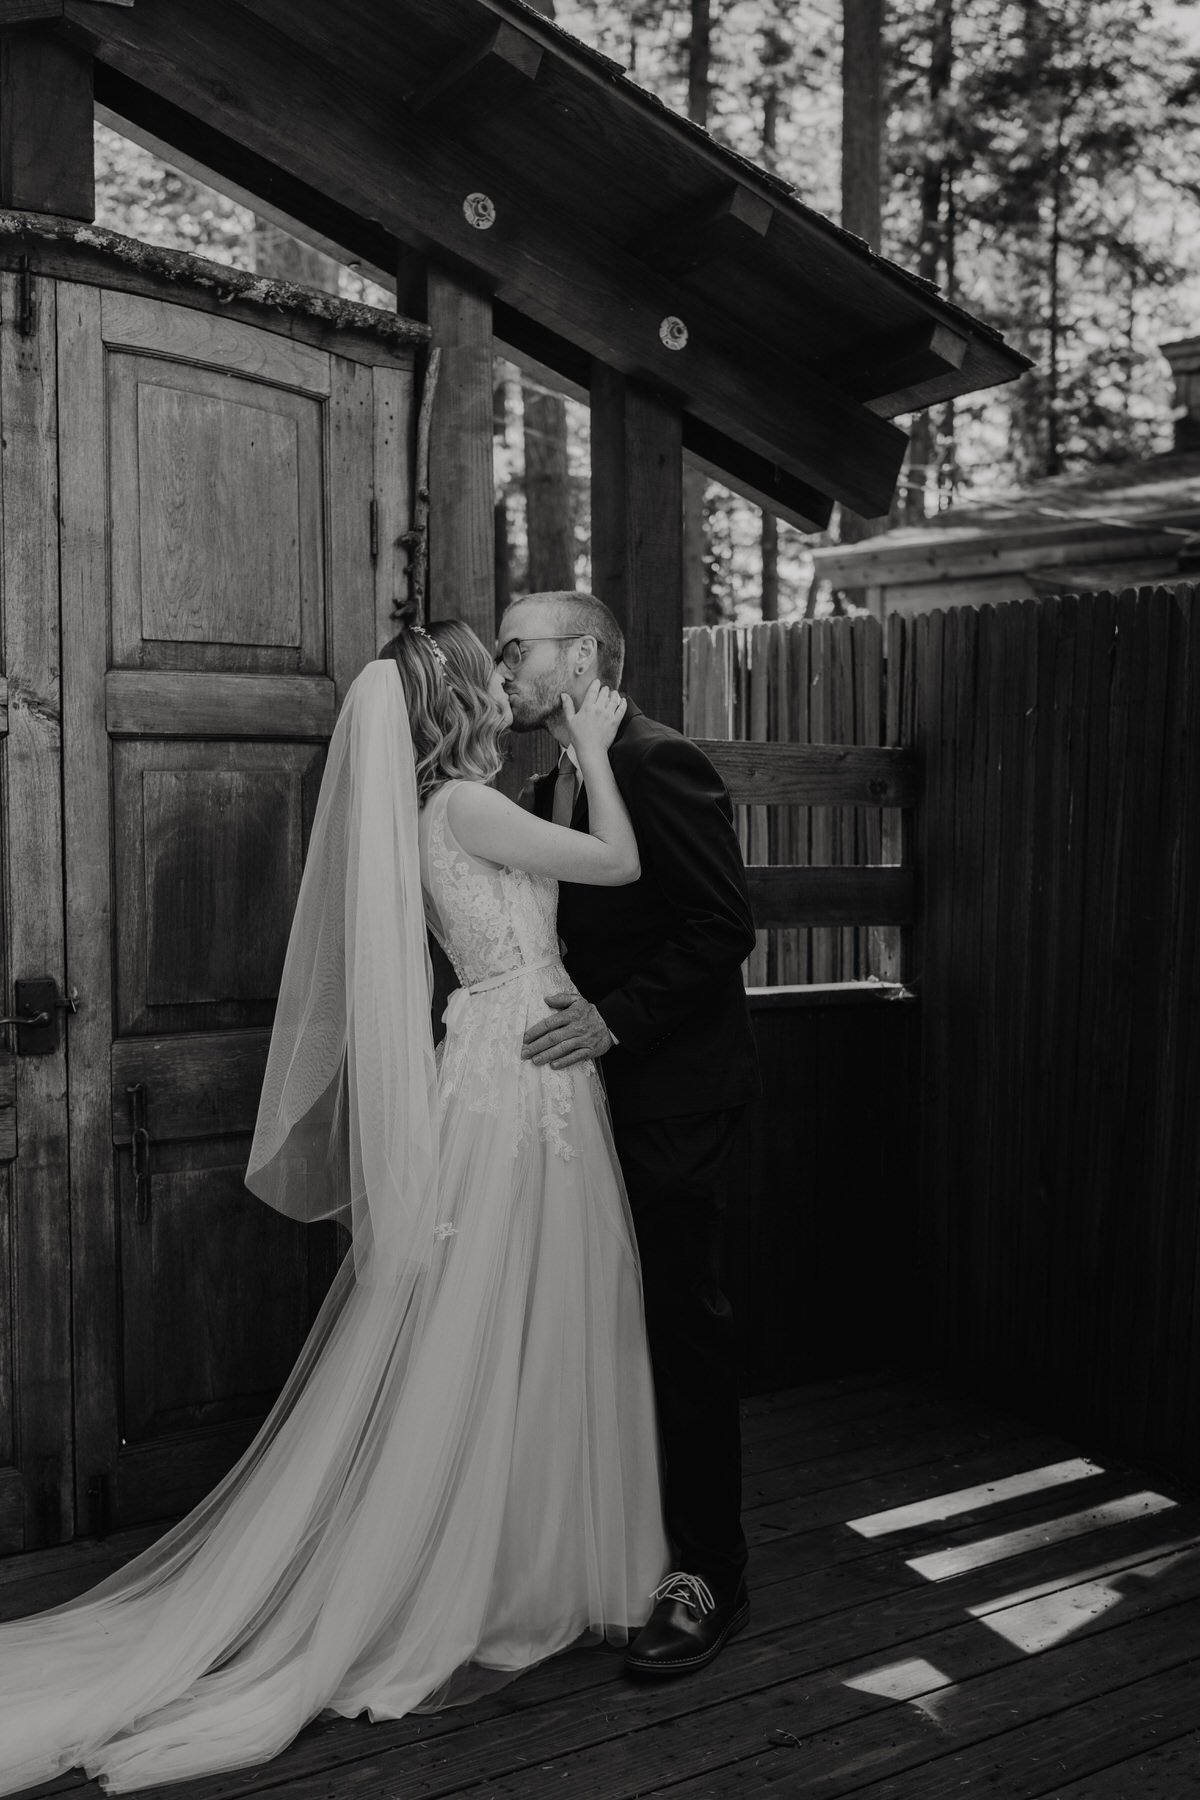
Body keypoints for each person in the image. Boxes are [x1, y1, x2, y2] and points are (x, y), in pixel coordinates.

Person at [0, 603, 667, 1794]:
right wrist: (600, 754)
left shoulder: (438, 810)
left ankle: (507, 1554)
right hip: (520, 1077)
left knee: (509, 1318)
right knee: (503, 1319)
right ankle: (476, 1570)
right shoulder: (461, 806)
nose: (510, 677)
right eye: (493, 668)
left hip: (513, 1062)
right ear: (459, 701)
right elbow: (616, 863)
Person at [500, 589, 760, 1678]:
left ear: (587, 657)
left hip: (670, 1091)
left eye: (522, 650)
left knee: (680, 1321)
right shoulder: (550, 780)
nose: (506, 667)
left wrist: (612, 1023)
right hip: (581, 1098)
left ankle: (709, 1575)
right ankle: (616, 1545)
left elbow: (721, 926)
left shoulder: (655, 760)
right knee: (602, 1320)